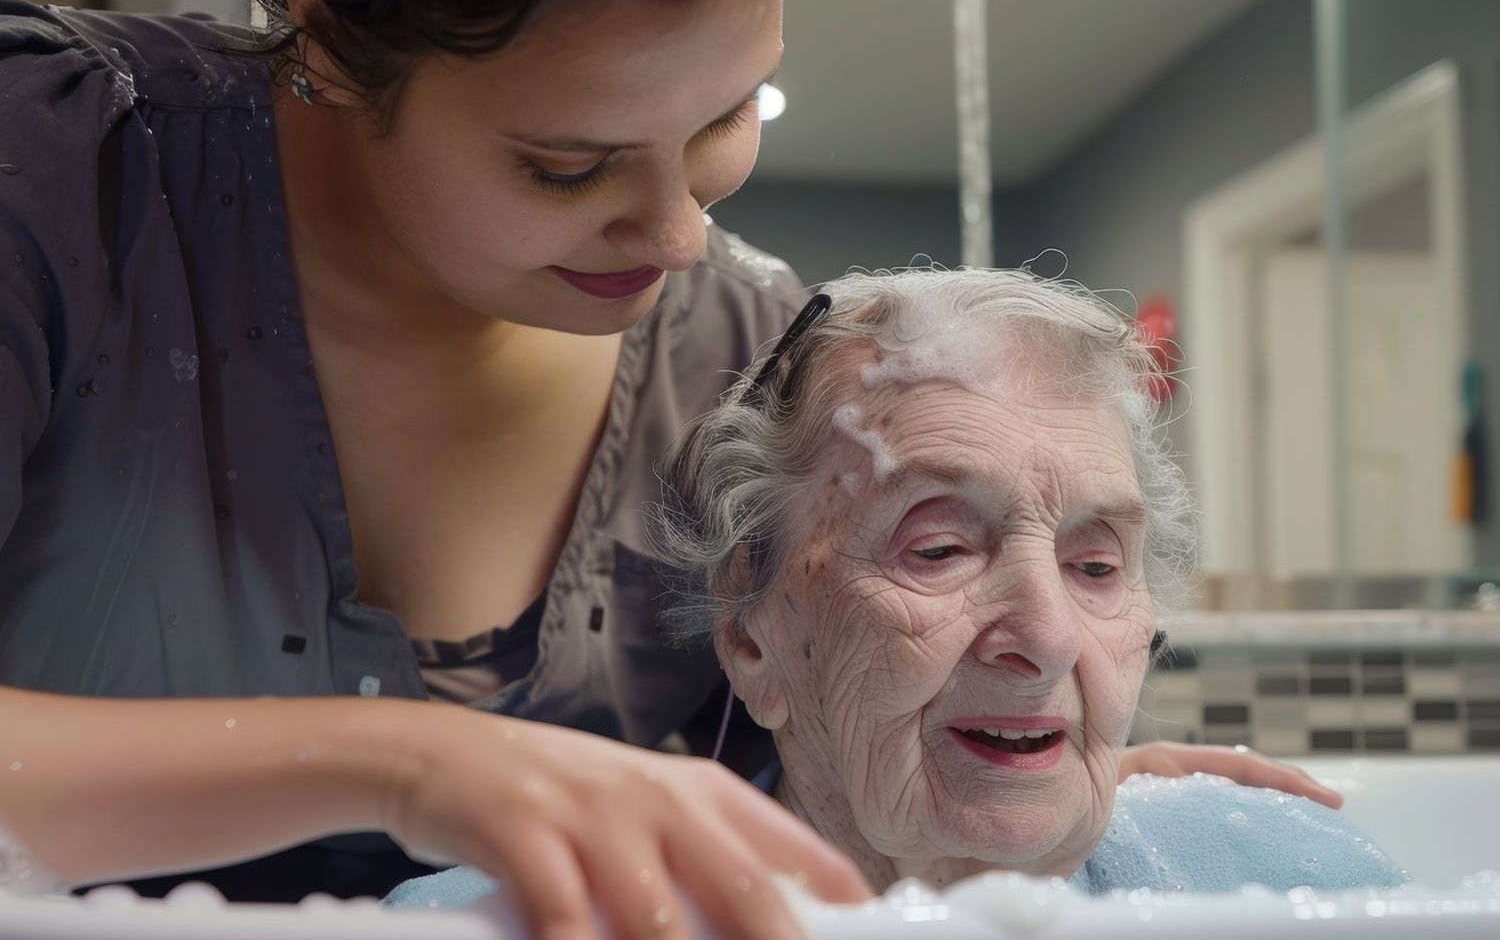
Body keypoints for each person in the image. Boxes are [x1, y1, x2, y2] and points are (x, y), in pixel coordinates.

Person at [0, 0, 1336, 936]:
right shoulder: (53, 176)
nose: (675, 233)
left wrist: (975, 780)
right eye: (566, 166)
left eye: (725, 118)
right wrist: (418, 766)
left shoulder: (741, 354)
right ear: (329, 31)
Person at [388, 266, 1404, 914]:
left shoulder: (1297, 883)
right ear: (752, 635)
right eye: (939, 550)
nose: (1047, 636)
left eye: (1097, 565)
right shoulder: (509, 923)